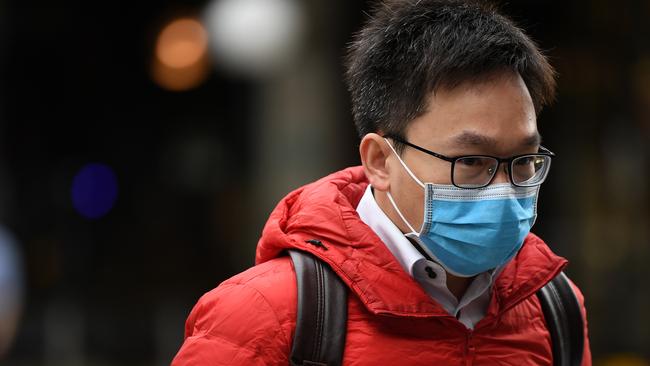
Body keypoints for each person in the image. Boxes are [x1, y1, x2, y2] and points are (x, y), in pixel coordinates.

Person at [172, 0, 592, 364]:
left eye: (522, 161)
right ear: (380, 161)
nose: (504, 187)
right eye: (471, 161)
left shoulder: (553, 307)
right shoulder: (264, 314)